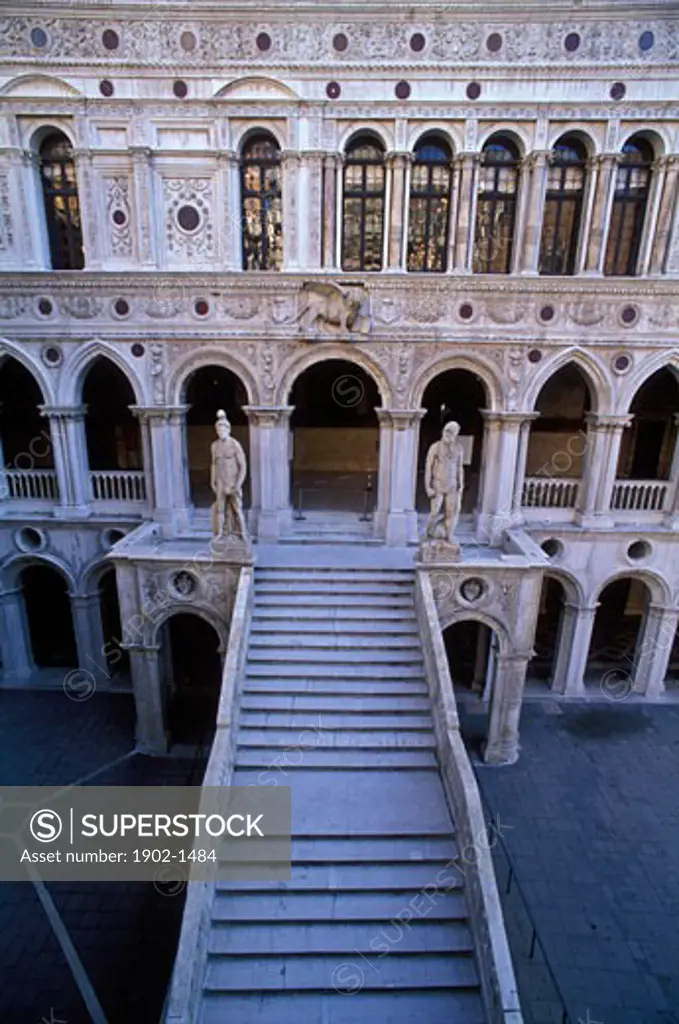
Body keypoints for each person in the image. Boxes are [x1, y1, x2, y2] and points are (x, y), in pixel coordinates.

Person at [424, 420, 465, 544]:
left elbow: (459, 467)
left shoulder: (458, 448)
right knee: (434, 512)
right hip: (438, 484)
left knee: (451, 512)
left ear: (456, 434)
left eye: (452, 433)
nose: (448, 435)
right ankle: (428, 533)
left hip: (452, 485)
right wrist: (428, 487)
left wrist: (461, 484)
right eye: (447, 431)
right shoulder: (435, 447)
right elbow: (428, 467)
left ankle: (449, 535)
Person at [210, 409, 247, 538]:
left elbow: (243, 466)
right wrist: (212, 480)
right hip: (220, 481)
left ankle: (242, 533)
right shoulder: (214, 446)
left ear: (228, 429)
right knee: (220, 510)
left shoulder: (235, 445)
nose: (221, 432)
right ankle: (220, 533)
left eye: (223, 430)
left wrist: (238, 484)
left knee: (237, 509)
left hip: (232, 482)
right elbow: (214, 464)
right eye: (218, 430)